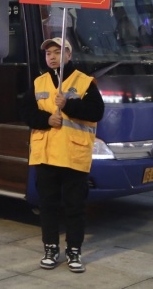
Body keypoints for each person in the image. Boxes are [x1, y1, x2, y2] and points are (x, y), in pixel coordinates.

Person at [21, 38, 104, 273]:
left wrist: (67, 105)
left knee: (74, 206)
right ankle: (50, 248)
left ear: (68, 55)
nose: (52, 57)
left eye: (57, 52)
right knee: (47, 205)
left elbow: (97, 112)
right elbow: (25, 112)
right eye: (48, 53)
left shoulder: (85, 82)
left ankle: (74, 251)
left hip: (73, 155)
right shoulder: (39, 82)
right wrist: (46, 119)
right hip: (45, 154)